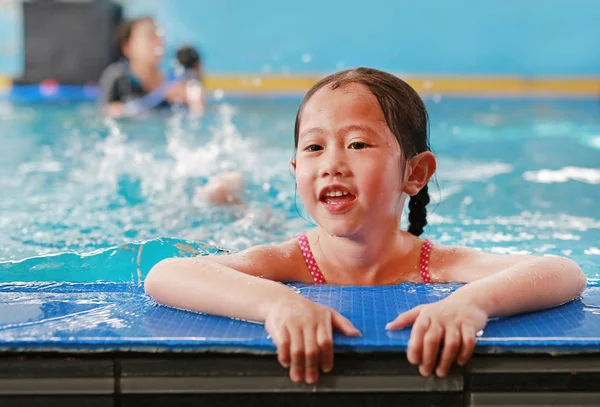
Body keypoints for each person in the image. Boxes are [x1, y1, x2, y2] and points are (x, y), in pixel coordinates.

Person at [144, 67, 587, 384]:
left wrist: (472, 303)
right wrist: (277, 303)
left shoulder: (436, 262)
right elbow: (167, 273)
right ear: (296, 169)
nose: (332, 164)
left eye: (357, 143)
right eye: (315, 147)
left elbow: (563, 271)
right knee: (250, 221)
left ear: (415, 174)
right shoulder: (285, 260)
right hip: (267, 243)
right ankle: (229, 197)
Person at [97, 17, 202, 118]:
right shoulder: (118, 78)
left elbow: (198, 115)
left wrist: (195, 101)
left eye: (159, 36)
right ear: (127, 47)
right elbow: (109, 112)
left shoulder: (176, 78)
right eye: (150, 37)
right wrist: (160, 96)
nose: (157, 42)